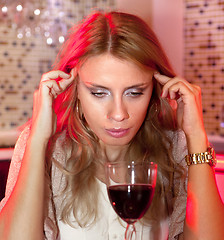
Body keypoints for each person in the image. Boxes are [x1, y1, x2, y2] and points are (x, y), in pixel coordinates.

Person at [0, 11, 223, 240]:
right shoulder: (44, 147)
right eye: (99, 93)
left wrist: (196, 136)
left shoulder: (175, 147)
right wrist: (37, 139)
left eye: (135, 92)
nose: (118, 114)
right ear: (74, 88)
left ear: (155, 88)